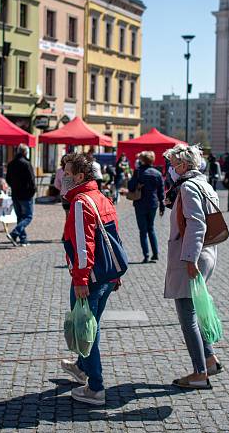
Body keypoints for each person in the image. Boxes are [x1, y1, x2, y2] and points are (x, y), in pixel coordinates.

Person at [58, 152, 122, 406]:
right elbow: (115, 237)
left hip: (90, 278)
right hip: (105, 276)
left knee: (87, 330)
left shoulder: (80, 202)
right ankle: (82, 367)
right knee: (90, 325)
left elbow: (85, 245)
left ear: (80, 176)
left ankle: (96, 387)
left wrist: (81, 279)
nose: (63, 178)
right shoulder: (102, 197)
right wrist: (115, 275)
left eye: (67, 174)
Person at [161, 144, 223, 390]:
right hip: (206, 254)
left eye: (173, 164)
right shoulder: (204, 184)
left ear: (183, 166)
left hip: (191, 256)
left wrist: (189, 259)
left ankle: (199, 373)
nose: (171, 169)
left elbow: (197, 225)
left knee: (188, 317)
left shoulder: (188, 187)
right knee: (193, 311)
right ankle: (209, 360)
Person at [126, 151, 165, 262]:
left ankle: (146, 255)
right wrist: (162, 206)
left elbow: (131, 187)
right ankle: (155, 254)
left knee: (143, 231)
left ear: (142, 160)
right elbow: (161, 192)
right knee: (151, 228)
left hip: (140, 203)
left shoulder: (138, 172)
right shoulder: (157, 173)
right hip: (153, 203)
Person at [5, 144, 36, 246]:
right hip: (26, 195)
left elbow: (8, 179)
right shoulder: (26, 163)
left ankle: (23, 239)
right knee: (28, 217)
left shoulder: (11, 163)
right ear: (25, 152)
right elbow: (31, 179)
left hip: (15, 194)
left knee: (20, 217)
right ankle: (15, 232)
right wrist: (32, 191)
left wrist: (14, 187)